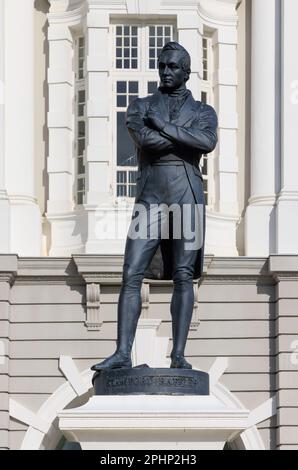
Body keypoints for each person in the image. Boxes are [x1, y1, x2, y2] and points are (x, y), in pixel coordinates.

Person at [91, 42, 218, 371]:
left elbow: (206, 142)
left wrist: (162, 127)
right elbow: (145, 142)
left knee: (184, 276)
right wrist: (182, 138)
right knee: (131, 272)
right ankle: (122, 353)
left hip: (188, 194)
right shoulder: (140, 106)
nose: (165, 71)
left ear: (186, 72)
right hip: (150, 196)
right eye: (162, 65)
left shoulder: (204, 112)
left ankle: (178, 354)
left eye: (173, 66)